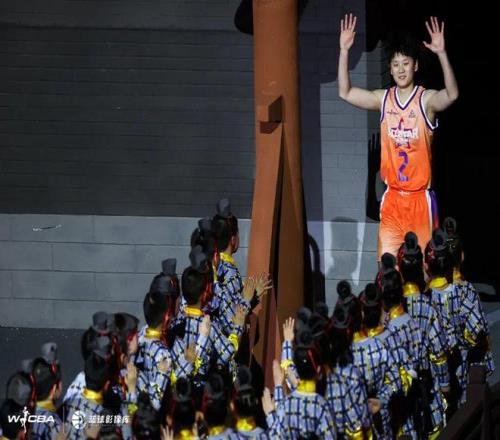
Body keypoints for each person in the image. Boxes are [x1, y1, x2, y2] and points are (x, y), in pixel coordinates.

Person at [338, 13, 459, 259]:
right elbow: (345, 92)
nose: (401, 69)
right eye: (395, 64)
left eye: (405, 63)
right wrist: (344, 51)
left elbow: (452, 95)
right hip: (392, 198)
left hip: (419, 199)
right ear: (390, 69)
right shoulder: (384, 99)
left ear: (415, 65)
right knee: (388, 266)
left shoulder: (425, 100)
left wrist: (442, 54)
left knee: (422, 267)